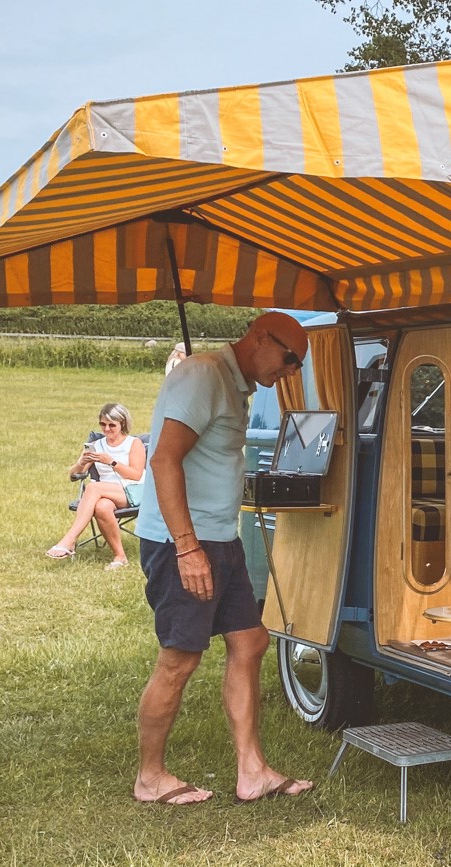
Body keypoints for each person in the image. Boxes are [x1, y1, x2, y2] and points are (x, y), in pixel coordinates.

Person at [131, 312, 315, 806]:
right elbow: (164, 458)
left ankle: (251, 771)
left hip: (219, 539)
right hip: (185, 544)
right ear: (259, 337)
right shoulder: (202, 376)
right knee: (180, 659)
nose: (292, 371)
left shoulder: (233, 385)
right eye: (290, 358)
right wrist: (187, 548)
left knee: (251, 641)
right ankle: (150, 778)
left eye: (299, 364)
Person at [46, 402, 146, 568]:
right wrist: (81, 462)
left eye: (111, 425)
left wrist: (112, 462)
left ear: (122, 424)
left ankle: (70, 540)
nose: (106, 429)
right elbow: (74, 475)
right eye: (103, 424)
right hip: (106, 494)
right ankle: (120, 557)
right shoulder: (96, 445)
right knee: (102, 506)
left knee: (93, 487)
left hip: (133, 490)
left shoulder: (134, 443)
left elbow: (136, 475)